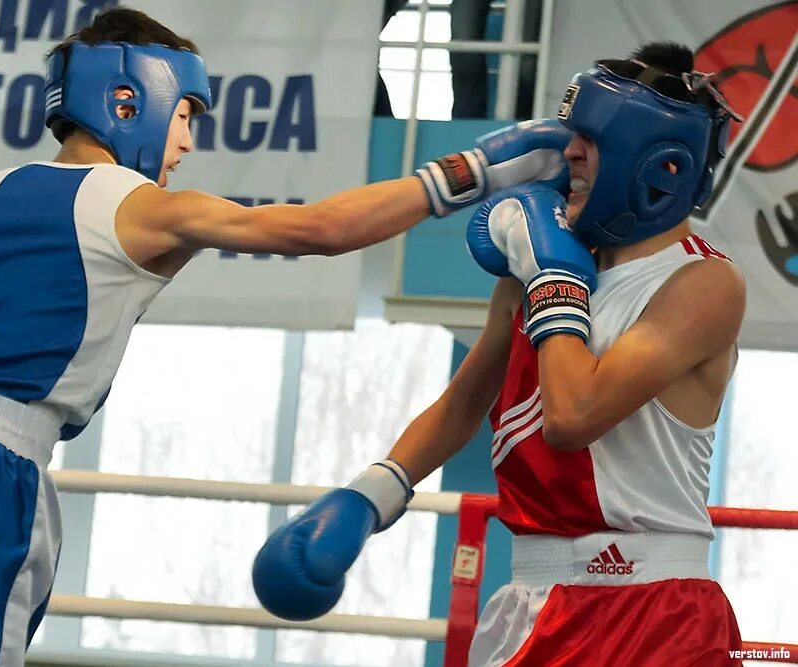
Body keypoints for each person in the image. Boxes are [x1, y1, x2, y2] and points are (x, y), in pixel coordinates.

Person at [0, 6, 573, 666]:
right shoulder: (145, 208)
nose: (187, 140)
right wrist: (471, 170)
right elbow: (318, 231)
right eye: (186, 113)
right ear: (132, 100)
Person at [253, 42, 748, 666]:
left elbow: (572, 417)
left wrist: (553, 277)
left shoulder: (701, 284)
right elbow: (467, 400)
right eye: (572, 134)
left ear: (652, 158)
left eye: (591, 140)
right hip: (529, 600)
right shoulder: (549, 261)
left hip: (650, 609)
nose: (568, 153)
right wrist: (372, 494)